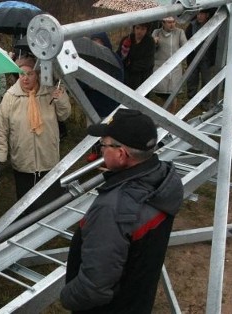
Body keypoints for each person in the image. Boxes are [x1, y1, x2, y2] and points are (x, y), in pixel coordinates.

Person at [60, 109, 184, 313]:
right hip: (137, 300)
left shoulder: (112, 209)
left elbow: (94, 288)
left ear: (121, 154)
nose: (100, 149)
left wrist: (67, 298)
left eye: (104, 144)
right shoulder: (163, 180)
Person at [0, 55, 72, 214]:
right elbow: (1, 128)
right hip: (23, 160)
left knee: (49, 200)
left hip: (47, 156)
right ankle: (26, 226)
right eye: (21, 74)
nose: (25, 78)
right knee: (26, 203)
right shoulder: (10, 97)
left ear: (37, 74)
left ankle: (49, 222)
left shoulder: (50, 92)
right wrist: (1, 154)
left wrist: (61, 98)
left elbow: (64, 115)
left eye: (30, 74)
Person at [152, 16, 187, 111]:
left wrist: (183, 64)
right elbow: (150, 49)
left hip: (175, 67)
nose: (172, 24)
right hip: (160, 66)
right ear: (163, 23)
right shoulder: (156, 32)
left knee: (173, 93)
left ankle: (172, 115)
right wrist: (154, 42)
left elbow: (186, 48)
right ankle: (162, 113)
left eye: (173, 22)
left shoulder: (179, 32)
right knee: (161, 93)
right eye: (169, 22)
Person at [186, 9, 217, 110]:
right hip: (193, 57)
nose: (199, 16)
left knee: (206, 80)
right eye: (198, 14)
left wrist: (212, 59)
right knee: (192, 79)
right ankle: (191, 100)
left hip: (206, 59)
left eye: (202, 14)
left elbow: (215, 44)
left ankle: (205, 101)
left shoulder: (213, 26)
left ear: (207, 15)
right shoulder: (191, 26)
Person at [116, 23, 156, 90]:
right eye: (137, 28)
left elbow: (148, 62)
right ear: (134, 28)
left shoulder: (150, 42)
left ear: (147, 30)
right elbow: (119, 55)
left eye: (143, 29)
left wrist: (130, 65)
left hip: (142, 78)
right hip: (126, 76)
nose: (139, 31)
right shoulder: (126, 40)